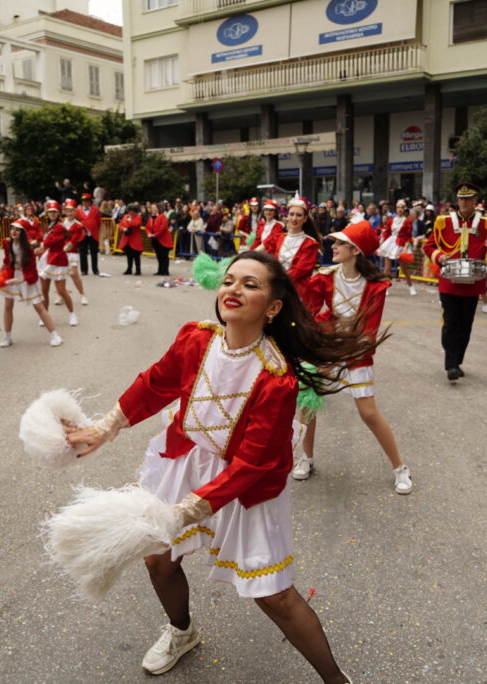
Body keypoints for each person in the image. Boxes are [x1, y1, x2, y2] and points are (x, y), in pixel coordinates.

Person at [64, 251, 374, 683]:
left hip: (248, 483)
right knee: (159, 560)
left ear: (273, 307)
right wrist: (105, 427)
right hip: (187, 460)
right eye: (230, 280)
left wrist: (186, 510)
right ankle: (181, 631)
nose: (234, 289)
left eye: (251, 284)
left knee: (275, 595)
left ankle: (336, 680)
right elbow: (156, 383)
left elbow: (254, 462)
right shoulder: (196, 338)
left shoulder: (276, 377)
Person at [296, 220, 412, 494]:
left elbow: (368, 334)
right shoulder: (326, 276)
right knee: (308, 404)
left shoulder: (375, 287)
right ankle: (306, 459)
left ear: (356, 250)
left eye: (339, 243)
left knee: (368, 413)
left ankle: (400, 468)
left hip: (356, 351)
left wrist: (335, 362)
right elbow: (307, 312)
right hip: (326, 345)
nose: (333, 246)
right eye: (334, 242)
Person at [422, 182, 487, 382]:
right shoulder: (443, 222)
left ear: (475, 201)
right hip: (449, 281)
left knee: (466, 325)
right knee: (450, 322)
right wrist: (440, 256)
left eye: (468, 199)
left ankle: (456, 361)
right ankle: (451, 365)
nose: (464, 202)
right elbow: (429, 246)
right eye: (461, 199)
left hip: (473, 283)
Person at [0, 220, 61, 347]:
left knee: (39, 307)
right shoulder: (7, 243)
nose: (14, 231)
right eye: (12, 228)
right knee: (8, 305)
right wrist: (0, 271)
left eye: (18, 229)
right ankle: (7, 336)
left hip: (27, 278)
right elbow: (7, 259)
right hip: (11, 275)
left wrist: (20, 279)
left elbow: (32, 271)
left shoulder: (30, 249)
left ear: (24, 233)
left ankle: (54, 335)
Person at [262, 198, 321, 304]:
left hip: (296, 291)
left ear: (305, 218)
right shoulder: (279, 237)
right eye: (291, 214)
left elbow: (299, 271)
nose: (294, 218)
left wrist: (275, 280)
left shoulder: (310, 244)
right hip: (277, 286)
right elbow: (264, 251)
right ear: (287, 216)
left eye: (298, 215)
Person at [37, 200, 78, 326]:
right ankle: (45, 315)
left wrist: (39, 246)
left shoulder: (59, 226)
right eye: (50, 212)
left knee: (61, 290)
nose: (52, 214)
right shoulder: (50, 225)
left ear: (58, 212)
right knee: (44, 290)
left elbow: (50, 242)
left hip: (58, 259)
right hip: (46, 259)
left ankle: (72, 314)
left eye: (54, 212)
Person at [376, 200, 416, 295]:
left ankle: (411, 286)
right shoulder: (391, 220)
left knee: (404, 268)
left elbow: (408, 235)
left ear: (404, 209)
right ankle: (385, 287)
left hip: (401, 244)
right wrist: (381, 242)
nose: (400, 209)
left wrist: (406, 246)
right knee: (387, 268)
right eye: (398, 207)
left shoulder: (407, 221)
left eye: (402, 207)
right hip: (390, 243)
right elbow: (387, 233)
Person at [60, 199, 88, 305]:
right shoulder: (61, 223)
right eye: (67, 211)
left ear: (75, 212)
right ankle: (61, 295)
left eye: (71, 211)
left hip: (72, 252)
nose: (69, 213)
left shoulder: (78, 225)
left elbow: (75, 239)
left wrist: (68, 246)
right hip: (61, 252)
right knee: (60, 274)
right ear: (64, 211)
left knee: (74, 274)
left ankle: (82, 294)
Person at [76, 193, 102, 277]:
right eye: (84, 201)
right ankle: (84, 270)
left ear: (90, 202)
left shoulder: (95, 209)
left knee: (94, 253)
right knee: (83, 253)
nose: (85, 203)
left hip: (93, 234)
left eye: (87, 201)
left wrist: (94, 229)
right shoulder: (78, 210)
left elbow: (99, 222)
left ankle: (95, 269)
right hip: (82, 234)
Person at [118, 202, 145, 275]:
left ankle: (138, 270)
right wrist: (123, 228)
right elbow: (120, 226)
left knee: (136, 255)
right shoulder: (125, 216)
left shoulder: (138, 217)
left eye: (132, 210)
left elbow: (137, 224)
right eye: (130, 210)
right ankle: (129, 269)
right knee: (129, 255)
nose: (131, 212)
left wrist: (130, 221)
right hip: (126, 238)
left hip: (135, 239)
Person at [148, 201, 173, 276]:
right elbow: (148, 227)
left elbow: (163, 227)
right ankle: (160, 270)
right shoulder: (151, 217)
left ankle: (165, 271)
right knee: (158, 256)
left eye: (155, 208)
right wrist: (149, 233)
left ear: (158, 209)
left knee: (164, 256)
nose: (154, 209)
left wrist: (155, 234)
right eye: (152, 208)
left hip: (163, 239)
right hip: (155, 239)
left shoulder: (162, 216)